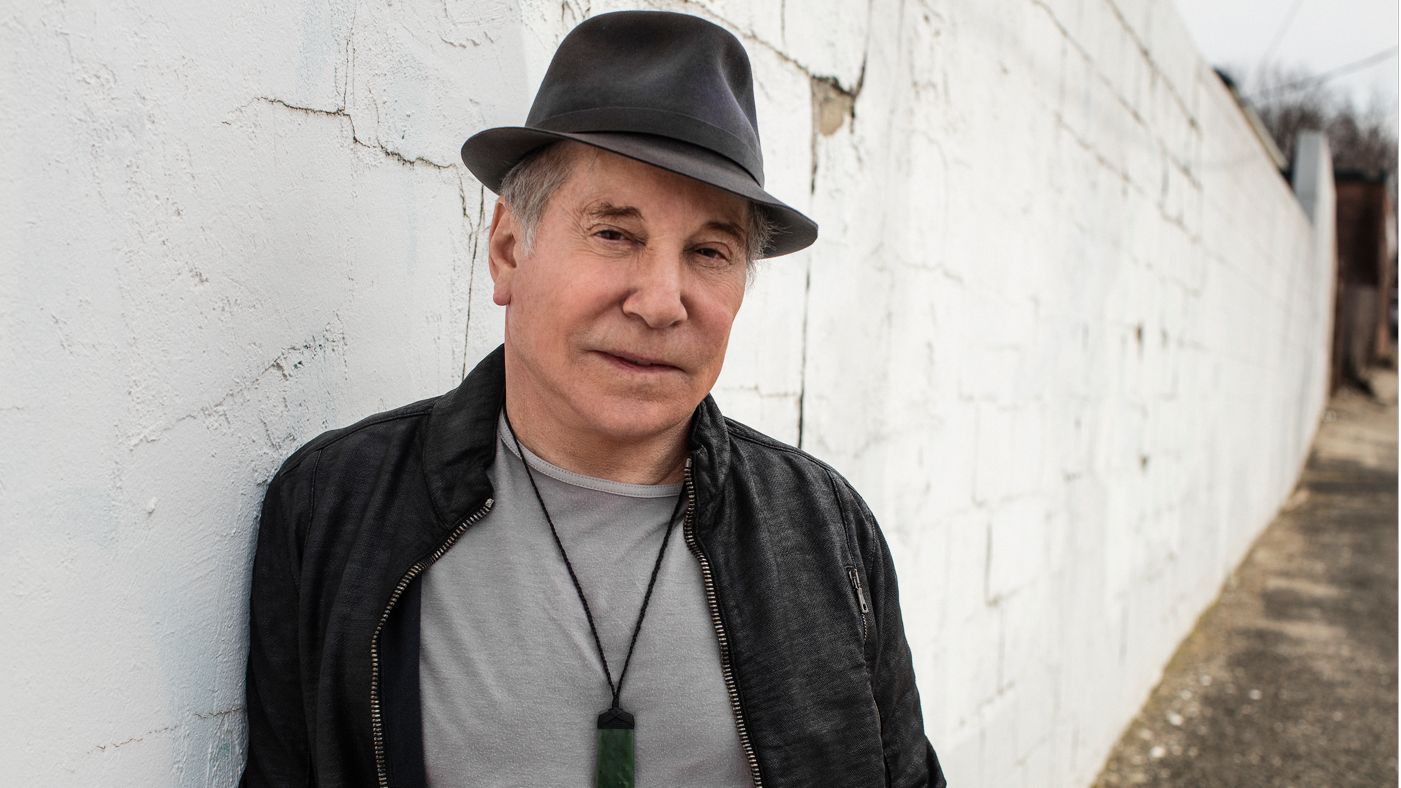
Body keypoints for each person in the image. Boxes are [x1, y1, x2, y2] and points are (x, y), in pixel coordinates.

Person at [242, 10, 945, 788]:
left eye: (709, 252)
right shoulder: (336, 507)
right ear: (508, 251)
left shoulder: (823, 528)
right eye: (615, 234)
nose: (661, 302)